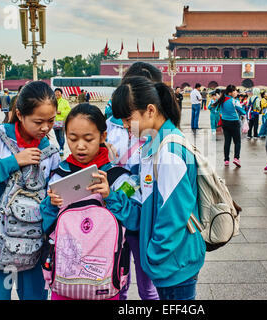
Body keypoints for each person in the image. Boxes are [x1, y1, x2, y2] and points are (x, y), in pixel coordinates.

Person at [92, 76, 206, 300]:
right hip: (170, 263)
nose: (125, 126)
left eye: (128, 118)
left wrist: (154, 256)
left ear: (151, 111)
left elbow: (173, 216)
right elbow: (145, 207)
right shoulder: (152, 147)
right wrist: (111, 196)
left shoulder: (169, 151)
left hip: (174, 265)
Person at [0, 81, 61, 300]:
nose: (45, 128)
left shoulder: (50, 151)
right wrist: (12, 162)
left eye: (51, 121)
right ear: (19, 114)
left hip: (35, 244)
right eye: (38, 121)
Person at [40, 103, 140, 300]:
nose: (80, 146)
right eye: (73, 138)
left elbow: (136, 220)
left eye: (88, 139)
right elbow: (46, 225)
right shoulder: (59, 175)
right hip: (63, 280)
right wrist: (51, 205)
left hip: (106, 281)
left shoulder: (119, 177)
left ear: (103, 137)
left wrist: (111, 196)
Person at [104, 61, 161, 300]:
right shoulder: (108, 125)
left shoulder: (159, 132)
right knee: (118, 278)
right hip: (114, 210)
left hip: (143, 214)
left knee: (149, 285)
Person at [213, 85, 246, 167]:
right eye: (235, 91)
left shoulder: (222, 100)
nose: (236, 92)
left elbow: (216, 109)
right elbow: (242, 112)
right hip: (234, 122)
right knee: (237, 141)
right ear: (230, 93)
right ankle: (236, 158)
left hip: (225, 122)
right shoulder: (234, 101)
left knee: (227, 141)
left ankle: (226, 160)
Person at [54, 88, 72, 157]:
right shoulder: (53, 101)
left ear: (61, 93)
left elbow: (68, 111)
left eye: (58, 92)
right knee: (57, 136)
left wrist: (60, 112)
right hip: (54, 122)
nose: (57, 93)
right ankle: (60, 146)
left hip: (62, 122)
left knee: (61, 135)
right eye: (56, 92)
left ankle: (61, 148)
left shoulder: (65, 102)